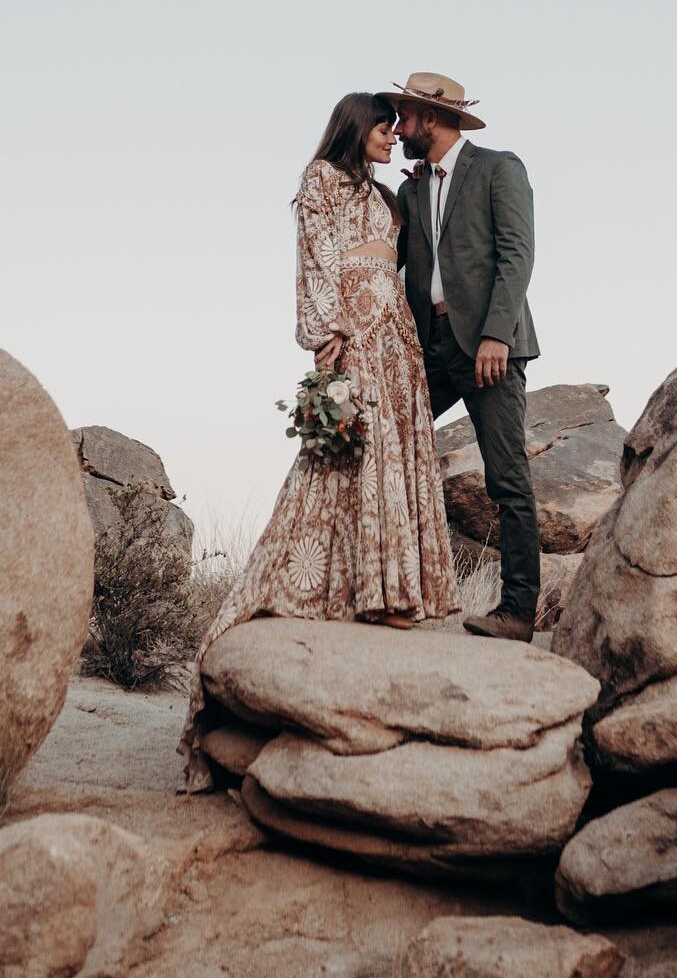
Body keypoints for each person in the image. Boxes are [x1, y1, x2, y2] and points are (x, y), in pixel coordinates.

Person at [179, 91, 460, 788]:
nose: (394, 136)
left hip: (397, 339)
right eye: (384, 128)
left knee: (392, 455)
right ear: (355, 128)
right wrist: (327, 333)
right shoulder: (321, 183)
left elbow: (403, 265)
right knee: (344, 456)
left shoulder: (387, 195)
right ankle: (351, 589)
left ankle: (395, 592)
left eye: (400, 130)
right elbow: (314, 260)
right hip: (356, 336)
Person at [392, 72, 541, 642]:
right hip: (430, 349)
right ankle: (386, 588)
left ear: (430, 118)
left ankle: (518, 611)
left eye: (405, 117)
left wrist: (496, 335)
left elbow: (516, 255)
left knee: (507, 479)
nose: (399, 127)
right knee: (384, 446)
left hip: (489, 348)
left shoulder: (499, 168)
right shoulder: (410, 189)